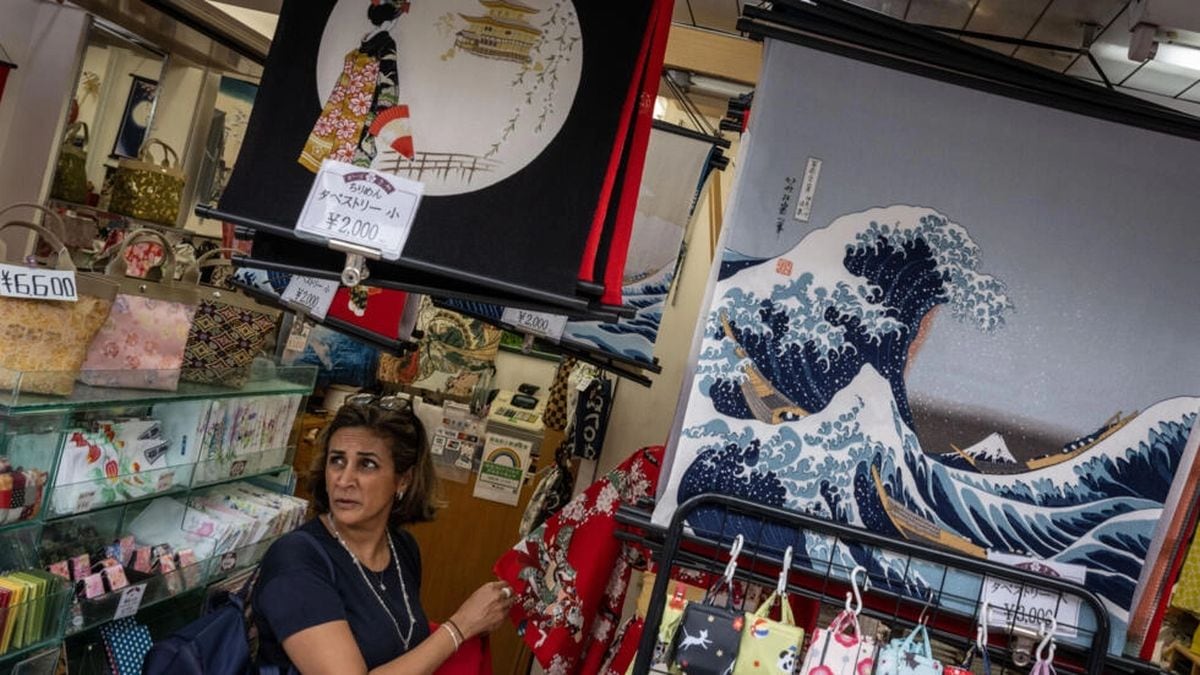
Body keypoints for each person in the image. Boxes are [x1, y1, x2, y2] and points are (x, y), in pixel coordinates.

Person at [252, 397, 514, 674]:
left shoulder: (402, 548)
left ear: (403, 480)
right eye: (337, 461)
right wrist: (460, 627)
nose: (344, 480)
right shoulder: (295, 561)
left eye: (367, 464)